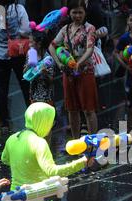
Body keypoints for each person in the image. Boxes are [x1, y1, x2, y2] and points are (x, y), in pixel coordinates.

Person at [49, 0, 98, 139]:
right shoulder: (65, 29)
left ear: (85, 13)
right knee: (72, 109)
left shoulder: (89, 28)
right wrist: (58, 63)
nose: (77, 15)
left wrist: (78, 63)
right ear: (69, 13)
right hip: (68, 74)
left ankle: (93, 142)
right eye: (74, 12)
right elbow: (52, 46)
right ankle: (76, 142)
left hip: (85, 72)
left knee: (89, 109)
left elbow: (90, 49)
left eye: (80, 12)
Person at [0, 0, 31, 129]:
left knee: (1, 88)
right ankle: (31, 113)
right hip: (17, 53)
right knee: (25, 84)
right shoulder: (18, 8)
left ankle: (3, 122)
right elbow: (26, 29)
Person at [26, 30, 55, 105]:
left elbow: (51, 80)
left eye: (31, 42)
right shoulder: (30, 54)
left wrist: (45, 73)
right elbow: (25, 74)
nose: (29, 45)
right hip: (34, 95)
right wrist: (27, 67)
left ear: (39, 44)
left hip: (46, 97)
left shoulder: (48, 59)